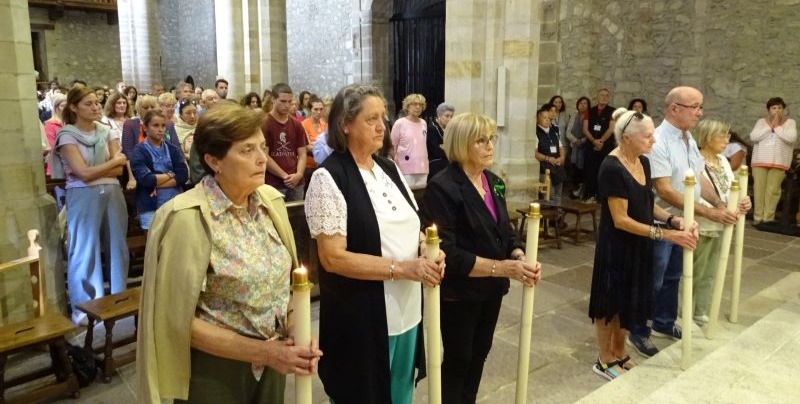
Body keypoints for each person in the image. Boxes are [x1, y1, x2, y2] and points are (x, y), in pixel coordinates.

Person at [137, 103, 322, 403]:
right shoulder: (186, 217)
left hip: (273, 360)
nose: (263, 159)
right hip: (216, 370)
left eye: (262, 147)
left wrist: (296, 328)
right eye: (247, 150)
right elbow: (174, 319)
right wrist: (263, 352)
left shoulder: (270, 203)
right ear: (214, 160)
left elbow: (288, 285)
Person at [305, 84, 444, 404]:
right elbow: (333, 258)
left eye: (383, 116)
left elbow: (414, 227)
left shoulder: (389, 168)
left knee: (399, 394)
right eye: (371, 119)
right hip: (362, 315)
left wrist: (428, 249)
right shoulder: (329, 178)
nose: (383, 126)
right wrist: (402, 268)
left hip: (407, 310)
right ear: (345, 124)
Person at [422, 112, 541, 403]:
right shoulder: (444, 185)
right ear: (462, 144)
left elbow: (505, 231)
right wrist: (503, 267)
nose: (490, 146)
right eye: (481, 140)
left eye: (492, 139)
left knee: (480, 353)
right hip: (460, 291)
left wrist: (518, 253)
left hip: (491, 288)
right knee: (459, 358)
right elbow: (446, 249)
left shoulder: (493, 181)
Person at [627, 86, 739, 358]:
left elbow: (698, 178)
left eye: (701, 106)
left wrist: (719, 204)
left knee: (674, 275)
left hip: (685, 221)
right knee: (653, 277)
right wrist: (708, 213)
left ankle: (664, 322)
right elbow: (664, 189)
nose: (700, 112)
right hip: (662, 219)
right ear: (674, 108)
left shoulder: (687, 139)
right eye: (695, 107)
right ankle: (637, 330)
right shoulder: (660, 139)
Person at [589, 108, 698, 381]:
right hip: (617, 247)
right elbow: (621, 219)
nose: (653, 141)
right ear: (626, 137)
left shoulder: (643, 162)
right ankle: (604, 359)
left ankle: (619, 353)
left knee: (630, 302)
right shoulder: (612, 167)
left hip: (639, 245)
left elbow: (646, 205)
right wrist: (666, 236)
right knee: (610, 304)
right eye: (647, 136)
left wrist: (673, 220)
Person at [50, 87, 129, 325]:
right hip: (82, 194)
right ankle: (85, 307)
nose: (95, 107)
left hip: (113, 191)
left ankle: (118, 299)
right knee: (84, 249)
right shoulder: (67, 135)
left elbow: (119, 168)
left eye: (96, 103)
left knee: (117, 246)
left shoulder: (107, 131)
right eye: (88, 104)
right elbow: (82, 173)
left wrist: (110, 166)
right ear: (74, 107)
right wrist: (111, 163)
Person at [692, 118, 752, 326]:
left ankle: (700, 309)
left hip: (723, 221)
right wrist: (715, 209)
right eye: (722, 135)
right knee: (694, 270)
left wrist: (741, 201)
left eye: (727, 135)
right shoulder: (696, 160)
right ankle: (684, 311)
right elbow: (695, 192)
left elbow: (730, 189)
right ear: (707, 137)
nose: (727, 140)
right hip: (703, 220)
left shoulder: (723, 161)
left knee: (711, 270)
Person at [130, 110, 188, 230]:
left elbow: (183, 176)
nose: (160, 129)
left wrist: (157, 181)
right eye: (155, 125)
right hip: (150, 205)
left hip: (175, 203)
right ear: (145, 128)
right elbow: (146, 180)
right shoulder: (138, 151)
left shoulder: (173, 149)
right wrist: (172, 174)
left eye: (163, 125)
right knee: (153, 245)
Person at [749, 97, 798, 224]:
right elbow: (754, 137)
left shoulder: (790, 122)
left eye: (779, 108)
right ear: (769, 110)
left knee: (773, 191)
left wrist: (777, 127)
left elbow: (791, 138)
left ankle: (768, 219)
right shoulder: (761, 122)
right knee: (759, 189)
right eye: (774, 108)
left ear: (783, 109)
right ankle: (758, 217)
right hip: (760, 161)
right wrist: (770, 126)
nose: (777, 110)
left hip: (779, 162)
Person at [122, 95, 178, 190]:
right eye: (145, 107)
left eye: (152, 107)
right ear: (138, 109)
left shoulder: (168, 123)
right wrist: (132, 178)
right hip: (141, 171)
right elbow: (128, 152)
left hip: (168, 171)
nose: (149, 110)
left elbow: (176, 147)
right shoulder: (130, 124)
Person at [264, 83, 308, 201]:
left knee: (297, 217)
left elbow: (302, 154)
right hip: (274, 182)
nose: (287, 105)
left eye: (290, 101)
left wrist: (298, 175)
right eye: (283, 101)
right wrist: (285, 176)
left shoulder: (297, 124)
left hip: (296, 182)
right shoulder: (264, 123)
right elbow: (264, 155)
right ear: (273, 99)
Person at [582, 89, 616, 203]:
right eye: (602, 95)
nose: (604, 97)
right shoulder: (590, 111)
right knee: (590, 170)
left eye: (607, 95)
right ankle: (590, 194)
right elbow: (585, 129)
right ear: (597, 97)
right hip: (591, 145)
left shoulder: (612, 111)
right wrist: (594, 141)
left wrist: (601, 141)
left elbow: (611, 128)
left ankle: (601, 197)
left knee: (603, 171)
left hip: (605, 146)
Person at [391, 93, 429, 188]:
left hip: (422, 166)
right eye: (414, 104)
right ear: (407, 106)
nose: (417, 107)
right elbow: (392, 145)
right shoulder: (400, 123)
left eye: (420, 105)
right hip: (405, 167)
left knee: (421, 197)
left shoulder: (423, 123)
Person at [534, 107, 566, 205]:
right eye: (544, 117)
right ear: (538, 119)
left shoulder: (554, 131)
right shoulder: (535, 132)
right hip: (545, 169)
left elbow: (561, 147)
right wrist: (547, 158)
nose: (547, 120)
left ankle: (557, 219)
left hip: (557, 166)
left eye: (549, 118)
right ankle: (549, 218)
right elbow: (534, 153)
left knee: (558, 196)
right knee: (549, 196)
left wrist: (562, 157)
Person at [568, 96, 590, 199]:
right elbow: (568, 132)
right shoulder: (574, 116)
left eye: (585, 103)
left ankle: (583, 190)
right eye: (580, 103)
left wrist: (582, 141)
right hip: (575, 147)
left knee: (584, 170)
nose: (582, 105)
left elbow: (590, 132)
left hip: (585, 147)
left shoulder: (590, 116)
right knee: (574, 169)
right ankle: (576, 190)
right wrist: (576, 140)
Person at [426, 102, 455, 181]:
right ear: (439, 116)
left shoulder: (448, 129)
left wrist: (444, 147)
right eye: (447, 116)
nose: (450, 119)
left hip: (446, 165)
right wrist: (448, 151)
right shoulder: (432, 128)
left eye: (451, 116)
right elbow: (435, 151)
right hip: (436, 166)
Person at [301, 96, 328, 173]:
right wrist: (322, 145)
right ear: (310, 110)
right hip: (308, 167)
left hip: (323, 166)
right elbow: (306, 147)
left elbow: (329, 145)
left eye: (321, 109)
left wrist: (315, 145)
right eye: (316, 109)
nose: (319, 112)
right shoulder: (303, 125)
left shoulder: (325, 125)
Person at [43, 93, 67, 176]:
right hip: (58, 163)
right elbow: (52, 146)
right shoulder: (50, 124)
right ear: (56, 108)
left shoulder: (70, 122)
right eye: (63, 106)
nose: (66, 108)